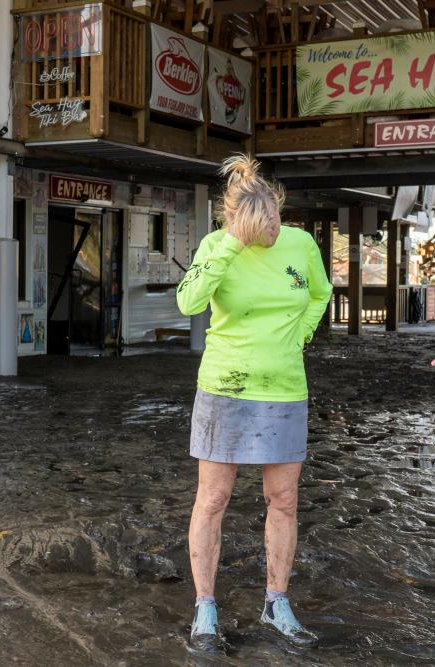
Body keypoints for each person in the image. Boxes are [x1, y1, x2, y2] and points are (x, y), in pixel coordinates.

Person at [176, 154, 333, 652]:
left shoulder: (301, 244)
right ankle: (205, 611)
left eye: (276, 221)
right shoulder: (217, 246)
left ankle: (276, 602)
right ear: (239, 223)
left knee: (284, 500)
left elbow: (320, 293)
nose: (272, 232)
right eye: (262, 226)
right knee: (214, 500)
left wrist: (300, 337)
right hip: (225, 389)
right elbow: (188, 301)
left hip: (284, 389)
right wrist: (226, 247)